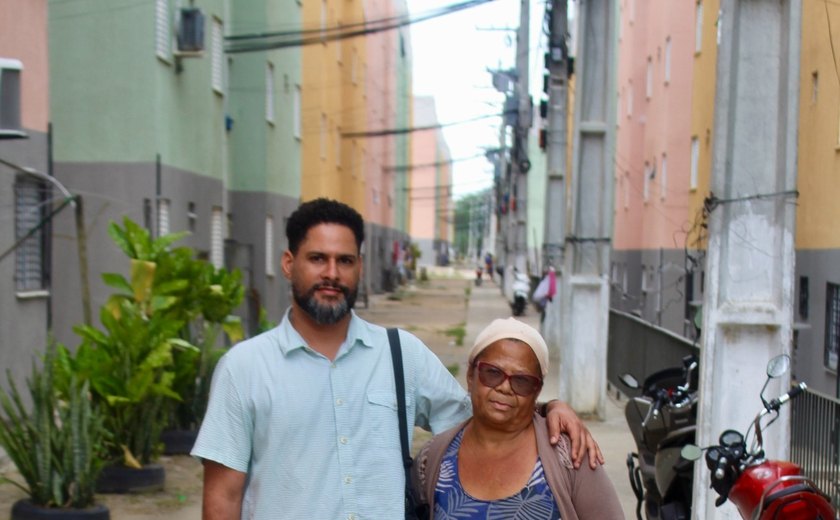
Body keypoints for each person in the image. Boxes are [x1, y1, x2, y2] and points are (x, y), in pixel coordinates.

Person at [191, 198, 603, 519]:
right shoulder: (243, 369)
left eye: (345, 261)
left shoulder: (399, 354)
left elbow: (481, 413)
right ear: (288, 264)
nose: (331, 273)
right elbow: (222, 498)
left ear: (359, 268)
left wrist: (548, 408)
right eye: (318, 259)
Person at [411, 317, 624, 519]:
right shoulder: (433, 460)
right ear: (470, 375)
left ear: (537, 389)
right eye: (492, 373)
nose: (504, 387)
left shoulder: (570, 456)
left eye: (521, 381)